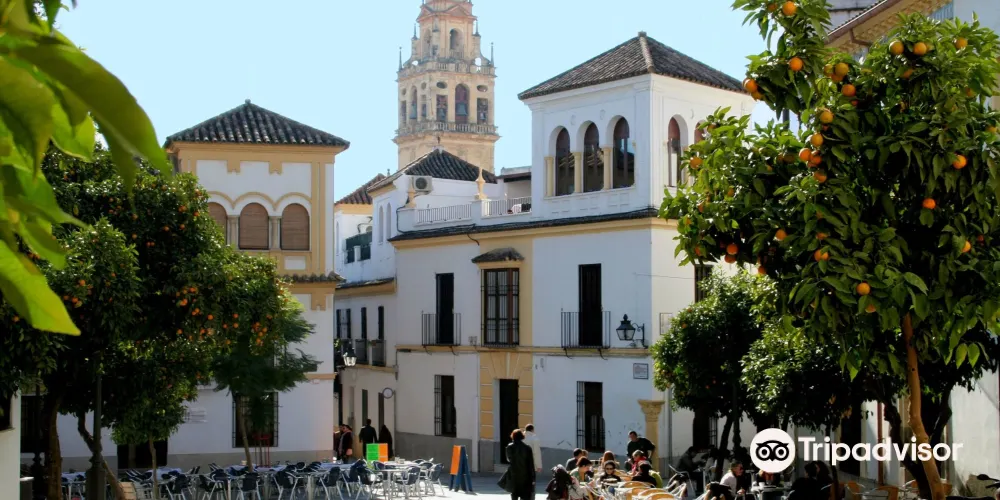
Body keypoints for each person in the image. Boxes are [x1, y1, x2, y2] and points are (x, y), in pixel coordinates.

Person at [505, 429, 537, 500]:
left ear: (513, 436)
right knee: (525, 495)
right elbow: (531, 464)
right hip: (526, 477)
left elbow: (509, 459)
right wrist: (533, 478)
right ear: (522, 436)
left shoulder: (509, 447)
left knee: (514, 495)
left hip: (514, 476)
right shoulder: (527, 448)